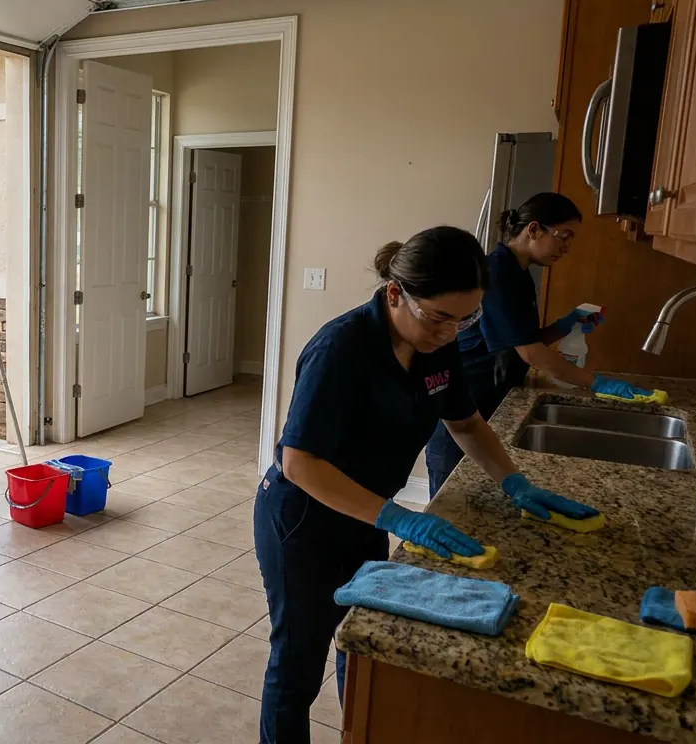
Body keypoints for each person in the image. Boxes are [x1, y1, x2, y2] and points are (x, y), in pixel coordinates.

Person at [253, 226, 600, 744]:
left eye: (467, 319)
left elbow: (467, 423)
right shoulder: (341, 348)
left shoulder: (438, 344)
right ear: (396, 294)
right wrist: (396, 517)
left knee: (362, 642)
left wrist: (516, 483)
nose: (451, 331)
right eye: (439, 316)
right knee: (298, 660)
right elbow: (299, 461)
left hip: (366, 516)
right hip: (305, 519)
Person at [424, 193, 657, 497]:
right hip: (464, 411)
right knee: (451, 507)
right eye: (564, 236)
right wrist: (597, 383)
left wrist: (564, 325)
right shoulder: (497, 272)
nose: (567, 247)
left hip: (491, 403)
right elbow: (530, 352)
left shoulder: (518, 274)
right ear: (534, 229)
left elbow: (524, 339)